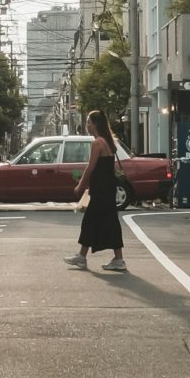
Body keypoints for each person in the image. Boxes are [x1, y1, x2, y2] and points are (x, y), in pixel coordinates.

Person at [69, 106, 127, 272]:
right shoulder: (108, 142)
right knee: (109, 223)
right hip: (108, 188)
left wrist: (80, 184)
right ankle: (118, 259)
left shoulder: (98, 143)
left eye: (88, 122)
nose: (86, 125)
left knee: (90, 221)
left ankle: (82, 257)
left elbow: (90, 167)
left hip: (101, 190)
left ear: (95, 124)